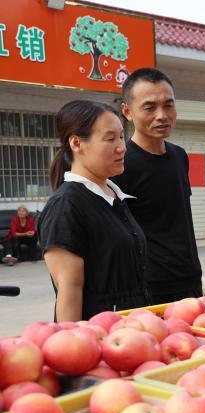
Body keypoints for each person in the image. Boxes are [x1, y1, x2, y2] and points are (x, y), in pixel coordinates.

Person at [38, 100, 149, 322]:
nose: (122, 147)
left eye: (121, 137)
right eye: (110, 139)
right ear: (77, 143)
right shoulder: (66, 206)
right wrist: (73, 341)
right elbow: (69, 290)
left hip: (134, 329)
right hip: (99, 333)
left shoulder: (114, 195)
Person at [112, 68, 202, 305]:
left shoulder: (179, 156)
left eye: (168, 105)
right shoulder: (120, 165)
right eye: (149, 107)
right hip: (149, 288)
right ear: (127, 112)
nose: (162, 115)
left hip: (190, 279)